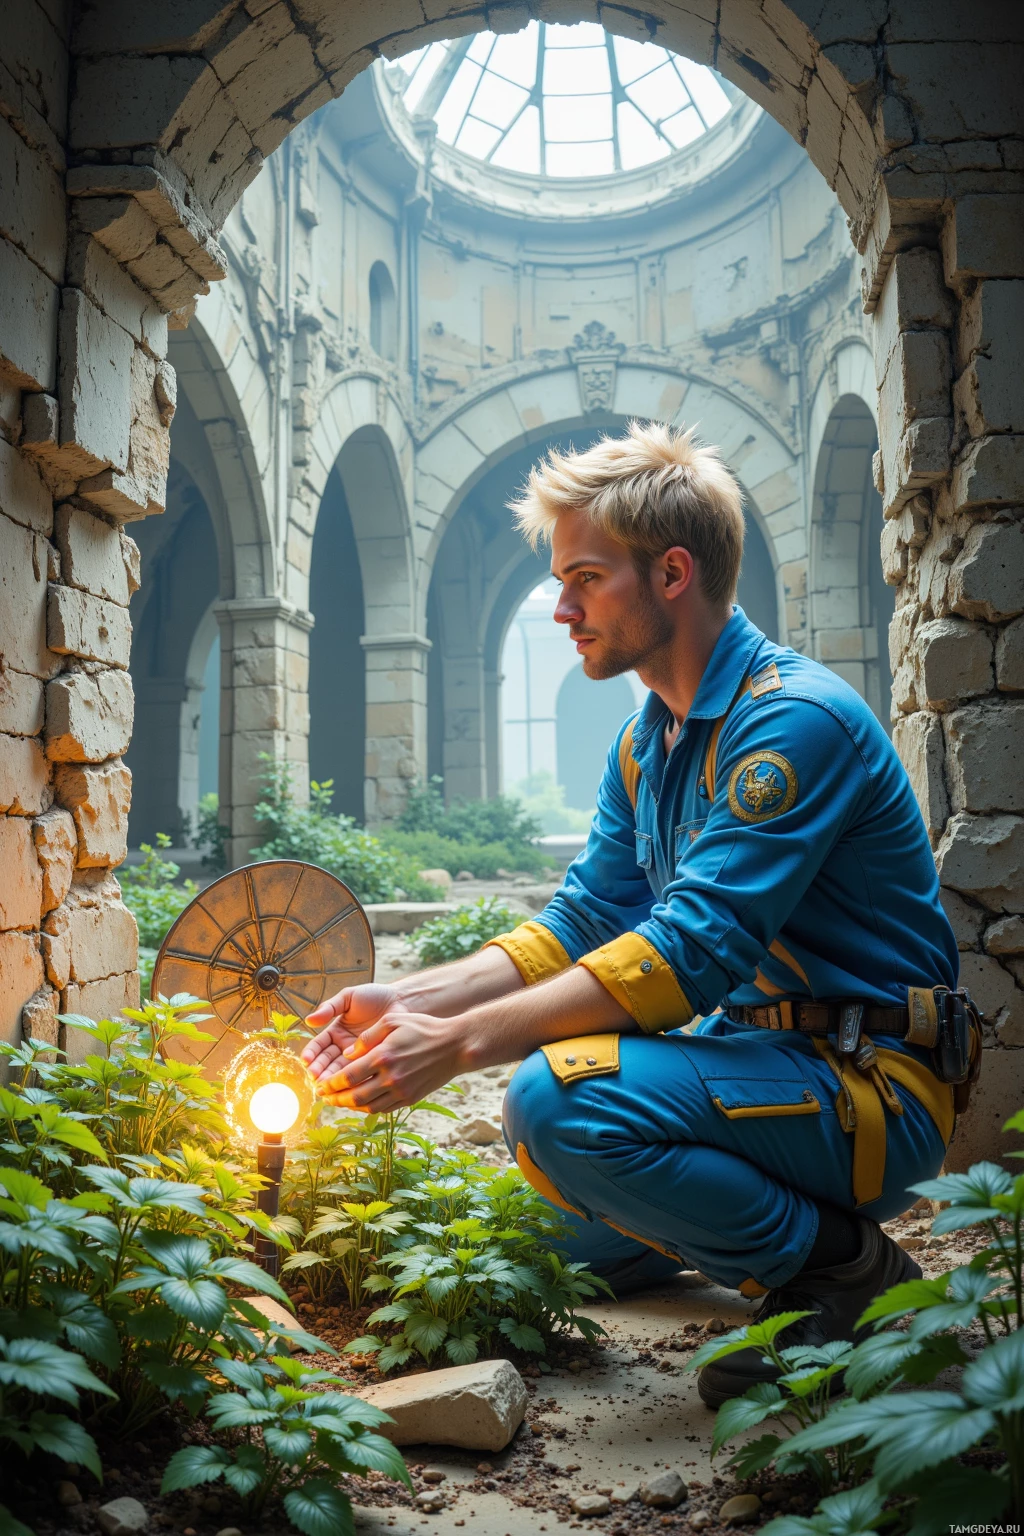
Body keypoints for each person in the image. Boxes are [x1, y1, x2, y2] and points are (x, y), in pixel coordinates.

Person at [302, 420, 972, 1408]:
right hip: (754, 1072)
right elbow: (580, 920)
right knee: (529, 1233)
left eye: (583, 578)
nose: (560, 607)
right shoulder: (646, 740)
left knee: (553, 1106)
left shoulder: (793, 722)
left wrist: (455, 1042)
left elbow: (685, 954)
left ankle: (845, 1273)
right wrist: (406, 996)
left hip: (868, 1088)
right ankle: (756, 1235)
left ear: (670, 573)